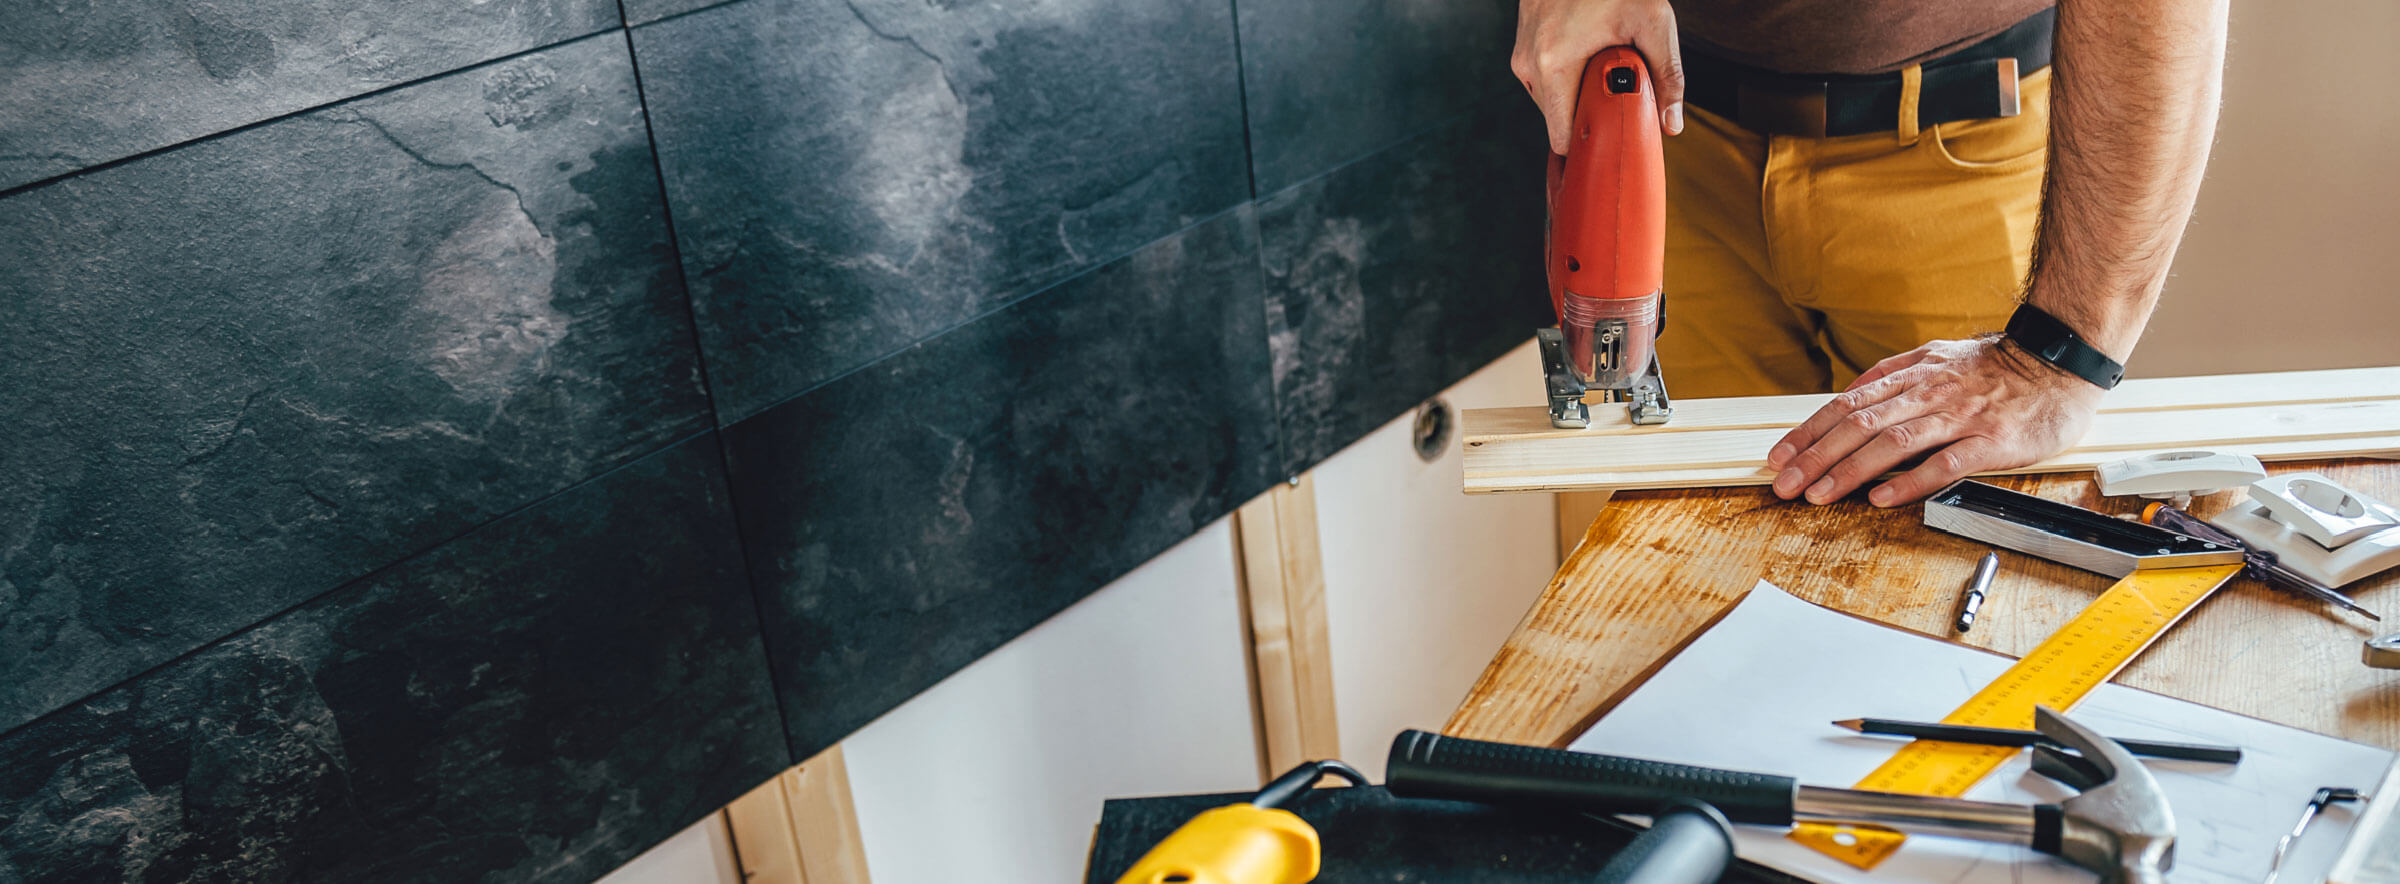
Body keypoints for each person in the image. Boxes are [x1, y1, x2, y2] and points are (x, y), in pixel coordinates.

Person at [1514, 0, 2229, 506]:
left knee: (1951, 590)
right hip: (1674, 131)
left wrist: (2058, 355)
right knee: (1669, 577)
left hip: (1968, 137)